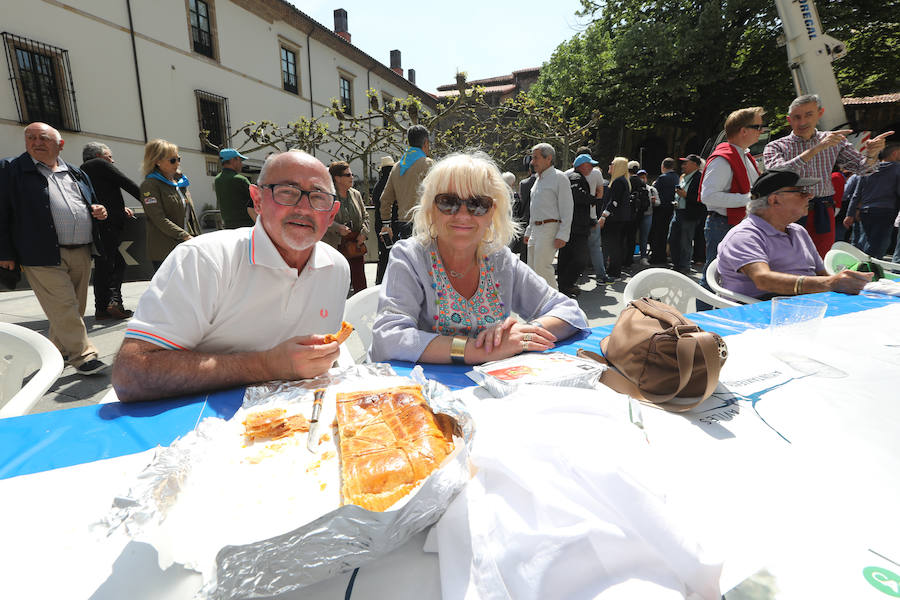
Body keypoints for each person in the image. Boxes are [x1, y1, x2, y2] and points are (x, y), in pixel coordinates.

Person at [112, 151, 350, 402]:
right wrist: (267, 366)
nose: (304, 208)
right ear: (257, 200)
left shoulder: (336, 268)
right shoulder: (205, 259)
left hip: (297, 426)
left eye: (318, 197)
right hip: (197, 427)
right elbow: (131, 373)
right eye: (287, 192)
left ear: (332, 213)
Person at [370, 152, 588, 365]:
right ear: (431, 208)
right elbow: (388, 338)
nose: (463, 215)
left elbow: (571, 314)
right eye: (448, 202)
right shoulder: (410, 257)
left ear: (492, 211)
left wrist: (523, 333)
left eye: (478, 204)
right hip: (418, 391)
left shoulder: (499, 259)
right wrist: (476, 350)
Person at [0, 122, 110, 375]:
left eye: (43, 138)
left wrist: (97, 210)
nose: (36, 142)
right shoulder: (10, 169)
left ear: (60, 144)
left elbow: (89, 202)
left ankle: (57, 350)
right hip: (39, 251)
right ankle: (84, 357)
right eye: (30, 138)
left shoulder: (74, 172)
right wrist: (4, 252)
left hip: (81, 249)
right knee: (64, 306)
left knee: (74, 308)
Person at [763, 93, 894, 257]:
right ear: (789, 120)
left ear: (820, 114)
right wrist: (816, 149)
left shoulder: (834, 141)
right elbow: (777, 174)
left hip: (822, 209)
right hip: (786, 211)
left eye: (809, 115)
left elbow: (863, 169)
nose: (802, 122)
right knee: (786, 259)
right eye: (797, 117)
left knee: (822, 258)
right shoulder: (776, 146)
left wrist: (872, 154)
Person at [717, 168, 872, 299]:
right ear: (775, 200)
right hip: (761, 314)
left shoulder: (798, 231)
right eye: (801, 192)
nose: (810, 196)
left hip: (803, 306)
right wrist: (831, 283)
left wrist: (844, 281)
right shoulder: (744, 236)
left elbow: (821, 274)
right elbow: (762, 279)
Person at [698, 107, 765, 290]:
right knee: (713, 277)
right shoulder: (723, 159)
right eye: (758, 127)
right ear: (744, 130)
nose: (762, 131)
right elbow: (708, 196)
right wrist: (749, 198)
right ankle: (703, 317)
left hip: (736, 224)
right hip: (723, 225)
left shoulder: (744, 156)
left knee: (730, 278)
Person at [80, 141, 140, 320]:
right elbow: (126, 183)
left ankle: (102, 309)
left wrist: (121, 209)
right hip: (107, 224)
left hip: (97, 224)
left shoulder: (83, 170)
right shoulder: (98, 164)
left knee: (104, 264)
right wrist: (150, 201)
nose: (112, 161)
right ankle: (114, 303)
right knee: (114, 263)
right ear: (99, 156)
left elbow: (101, 195)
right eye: (109, 157)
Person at [138, 139, 201, 271]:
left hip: (187, 245)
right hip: (165, 250)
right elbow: (158, 219)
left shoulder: (180, 182)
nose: (177, 163)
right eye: (172, 160)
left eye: (178, 159)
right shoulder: (150, 185)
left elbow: (189, 215)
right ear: (157, 161)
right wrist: (184, 235)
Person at [523, 143, 573, 289]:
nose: (532, 162)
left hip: (550, 228)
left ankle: (557, 305)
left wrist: (563, 234)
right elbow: (535, 208)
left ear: (548, 158)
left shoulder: (559, 177)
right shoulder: (538, 180)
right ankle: (539, 304)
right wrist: (529, 230)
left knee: (542, 268)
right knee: (532, 271)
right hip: (536, 230)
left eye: (536, 158)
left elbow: (567, 207)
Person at [843, 144, 900, 258]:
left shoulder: (868, 168)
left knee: (863, 243)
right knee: (878, 246)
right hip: (886, 211)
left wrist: (850, 214)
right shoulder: (897, 169)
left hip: (865, 211)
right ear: (895, 153)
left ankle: (859, 268)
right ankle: (868, 271)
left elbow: (856, 194)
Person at [379, 125, 433, 244]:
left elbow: (385, 199)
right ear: (426, 143)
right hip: (424, 223)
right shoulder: (427, 164)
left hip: (403, 224)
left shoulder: (397, 167)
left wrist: (386, 224)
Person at [558, 154, 600, 297]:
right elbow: (576, 195)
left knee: (567, 256)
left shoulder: (573, 177)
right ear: (582, 166)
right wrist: (592, 199)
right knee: (580, 258)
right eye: (590, 165)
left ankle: (563, 284)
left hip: (574, 224)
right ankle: (566, 284)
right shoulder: (576, 177)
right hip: (577, 227)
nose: (592, 168)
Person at [324, 161, 368, 295]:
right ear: (337, 178)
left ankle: (362, 311)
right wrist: (338, 227)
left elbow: (365, 216)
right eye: (348, 175)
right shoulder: (328, 196)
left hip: (355, 244)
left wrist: (364, 233)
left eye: (352, 174)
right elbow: (322, 218)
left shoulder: (356, 194)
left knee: (360, 283)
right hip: (336, 246)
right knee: (337, 285)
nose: (352, 177)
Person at [565, 146, 608, 283]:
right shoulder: (596, 173)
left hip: (572, 217)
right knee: (595, 247)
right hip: (591, 215)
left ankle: (572, 277)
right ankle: (601, 275)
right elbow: (600, 192)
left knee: (571, 248)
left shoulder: (566, 174)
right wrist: (595, 203)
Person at [667, 154, 704, 273]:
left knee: (685, 241)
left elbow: (701, 198)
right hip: (678, 211)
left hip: (689, 214)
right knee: (673, 239)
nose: (683, 165)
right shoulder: (683, 177)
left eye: (685, 163)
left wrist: (686, 196)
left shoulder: (700, 178)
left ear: (694, 165)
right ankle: (677, 263)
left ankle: (684, 266)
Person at [599, 157, 632, 278]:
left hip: (614, 219)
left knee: (612, 245)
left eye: (612, 164)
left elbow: (614, 201)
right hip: (619, 219)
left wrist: (603, 216)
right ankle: (613, 270)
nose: (609, 166)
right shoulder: (622, 181)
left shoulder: (618, 182)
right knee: (615, 245)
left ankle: (613, 271)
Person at [215, 148, 255, 229]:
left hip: (228, 226)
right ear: (233, 160)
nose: (241, 164)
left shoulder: (218, 179)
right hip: (246, 225)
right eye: (240, 161)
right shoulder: (240, 179)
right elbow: (256, 200)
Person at [649, 158, 678, 264]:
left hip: (660, 209)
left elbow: (654, 191)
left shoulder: (662, 178)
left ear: (663, 166)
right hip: (671, 209)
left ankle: (657, 257)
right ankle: (664, 255)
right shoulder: (676, 177)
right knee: (665, 234)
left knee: (657, 234)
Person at [372, 155, 394, 284]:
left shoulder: (378, 185)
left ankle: (380, 281)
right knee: (391, 254)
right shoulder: (392, 184)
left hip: (379, 224)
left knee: (383, 253)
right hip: (390, 225)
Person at [636, 169, 660, 265]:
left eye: (644, 177)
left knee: (644, 237)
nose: (642, 179)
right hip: (636, 216)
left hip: (647, 215)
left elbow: (659, 202)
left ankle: (643, 256)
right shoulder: (634, 187)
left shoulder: (652, 189)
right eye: (640, 177)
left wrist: (654, 202)